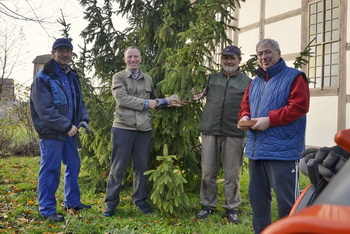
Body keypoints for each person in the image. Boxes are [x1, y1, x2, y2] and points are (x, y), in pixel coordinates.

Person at [238, 38, 310, 233]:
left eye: (268, 52)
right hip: (256, 150)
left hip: (283, 151)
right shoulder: (255, 82)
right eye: (260, 54)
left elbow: (299, 107)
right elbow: (246, 105)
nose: (264, 57)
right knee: (258, 200)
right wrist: (244, 115)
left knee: (287, 203)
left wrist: (269, 120)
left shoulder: (295, 77)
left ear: (278, 53)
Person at [103, 46, 179, 217]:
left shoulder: (148, 79)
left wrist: (170, 102)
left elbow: (153, 100)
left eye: (135, 57)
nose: (133, 60)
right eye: (129, 57)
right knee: (118, 167)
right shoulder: (119, 77)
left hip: (143, 129)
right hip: (123, 127)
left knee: (141, 167)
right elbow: (121, 99)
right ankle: (110, 203)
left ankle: (140, 201)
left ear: (141, 59)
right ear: (125, 59)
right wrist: (146, 104)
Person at [30, 38, 91, 222]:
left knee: (73, 165)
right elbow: (45, 110)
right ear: (53, 53)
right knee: (50, 170)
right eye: (60, 51)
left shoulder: (71, 75)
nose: (64, 54)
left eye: (68, 51)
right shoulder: (43, 78)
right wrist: (66, 125)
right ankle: (47, 210)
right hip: (52, 133)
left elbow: (79, 100)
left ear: (71, 54)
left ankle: (72, 202)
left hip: (70, 132)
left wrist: (83, 119)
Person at [196, 45, 251, 224]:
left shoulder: (247, 82)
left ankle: (232, 207)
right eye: (225, 58)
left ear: (239, 60)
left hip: (234, 132)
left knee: (232, 173)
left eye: (232, 58)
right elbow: (194, 94)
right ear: (221, 60)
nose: (228, 61)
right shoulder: (210, 79)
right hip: (210, 130)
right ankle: (207, 205)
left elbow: (250, 106)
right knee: (207, 171)